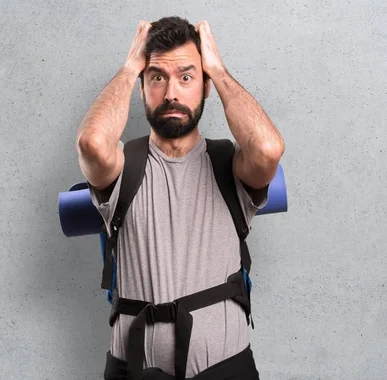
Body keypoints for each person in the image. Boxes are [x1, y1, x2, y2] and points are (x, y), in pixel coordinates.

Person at [75, 16, 285, 380]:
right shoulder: (123, 166)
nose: (171, 92)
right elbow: (91, 144)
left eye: (186, 77)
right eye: (157, 77)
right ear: (142, 87)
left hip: (226, 369)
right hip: (133, 371)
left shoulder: (231, 165)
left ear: (203, 87)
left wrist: (217, 70)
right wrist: (129, 68)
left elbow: (268, 149)